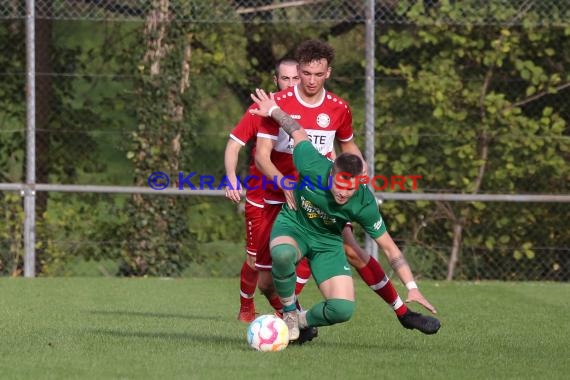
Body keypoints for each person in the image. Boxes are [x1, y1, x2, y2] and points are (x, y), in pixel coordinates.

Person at [254, 40, 437, 341]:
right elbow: (267, 151)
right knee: (270, 274)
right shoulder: (304, 145)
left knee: (352, 256)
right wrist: (273, 110)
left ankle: (400, 312)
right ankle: (291, 316)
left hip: (328, 210)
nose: (311, 80)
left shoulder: (338, 111)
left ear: (328, 73)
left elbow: (391, 248)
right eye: (306, 73)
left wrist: (358, 181)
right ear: (298, 72)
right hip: (288, 192)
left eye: (319, 73)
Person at [224, 58, 313, 323]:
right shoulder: (262, 109)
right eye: (285, 79)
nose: (291, 84)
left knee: (306, 252)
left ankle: (286, 308)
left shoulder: (310, 110)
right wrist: (231, 178)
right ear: (276, 81)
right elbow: (234, 144)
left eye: (296, 78)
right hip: (263, 195)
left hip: (297, 195)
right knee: (255, 259)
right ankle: (246, 307)